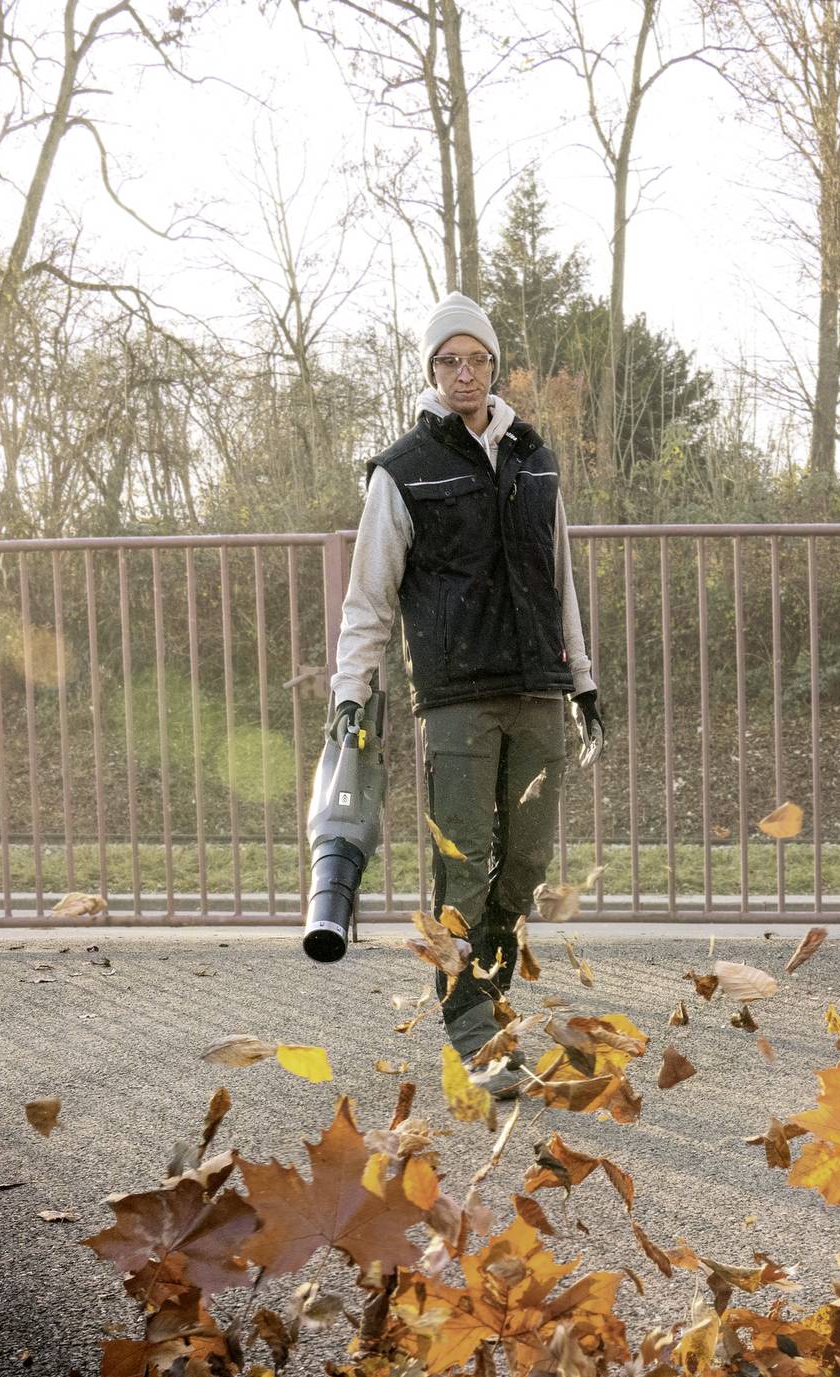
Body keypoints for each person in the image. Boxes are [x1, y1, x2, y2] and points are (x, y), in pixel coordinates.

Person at [329, 292, 602, 1100]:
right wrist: (352, 693)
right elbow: (367, 599)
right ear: (431, 371)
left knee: (524, 861)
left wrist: (581, 676)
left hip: (539, 690)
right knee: (464, 870)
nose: (464, 374)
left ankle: (490, 995)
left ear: (492, 366)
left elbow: (562, 579)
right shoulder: (402, 470)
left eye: (476, 359)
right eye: (448, 361)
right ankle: (476, 1034)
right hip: (454, 699)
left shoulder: (535, 456)